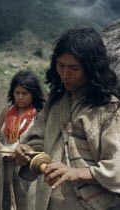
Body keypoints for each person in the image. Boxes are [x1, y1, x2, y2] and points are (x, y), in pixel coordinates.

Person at [15, 28, 120, 210]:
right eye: (60, 65)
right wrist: (28, 152)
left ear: (91, 69)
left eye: (74, 68)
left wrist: (77, 173)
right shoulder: (55, 103)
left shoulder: (108, 110)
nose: (65, 74)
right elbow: (39, 141)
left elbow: (116, 168)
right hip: (48, 202)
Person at [0, 70, 45, 210]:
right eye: (17, 93)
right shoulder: (7, 111)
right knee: (3, 201)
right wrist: (1, 147)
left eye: (24, 94)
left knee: (25, 204)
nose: (20, 97)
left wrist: (25, 153)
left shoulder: (39, 116)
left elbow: (42, 145)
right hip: (5, 168)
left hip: (25, 173)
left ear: (33, 93)